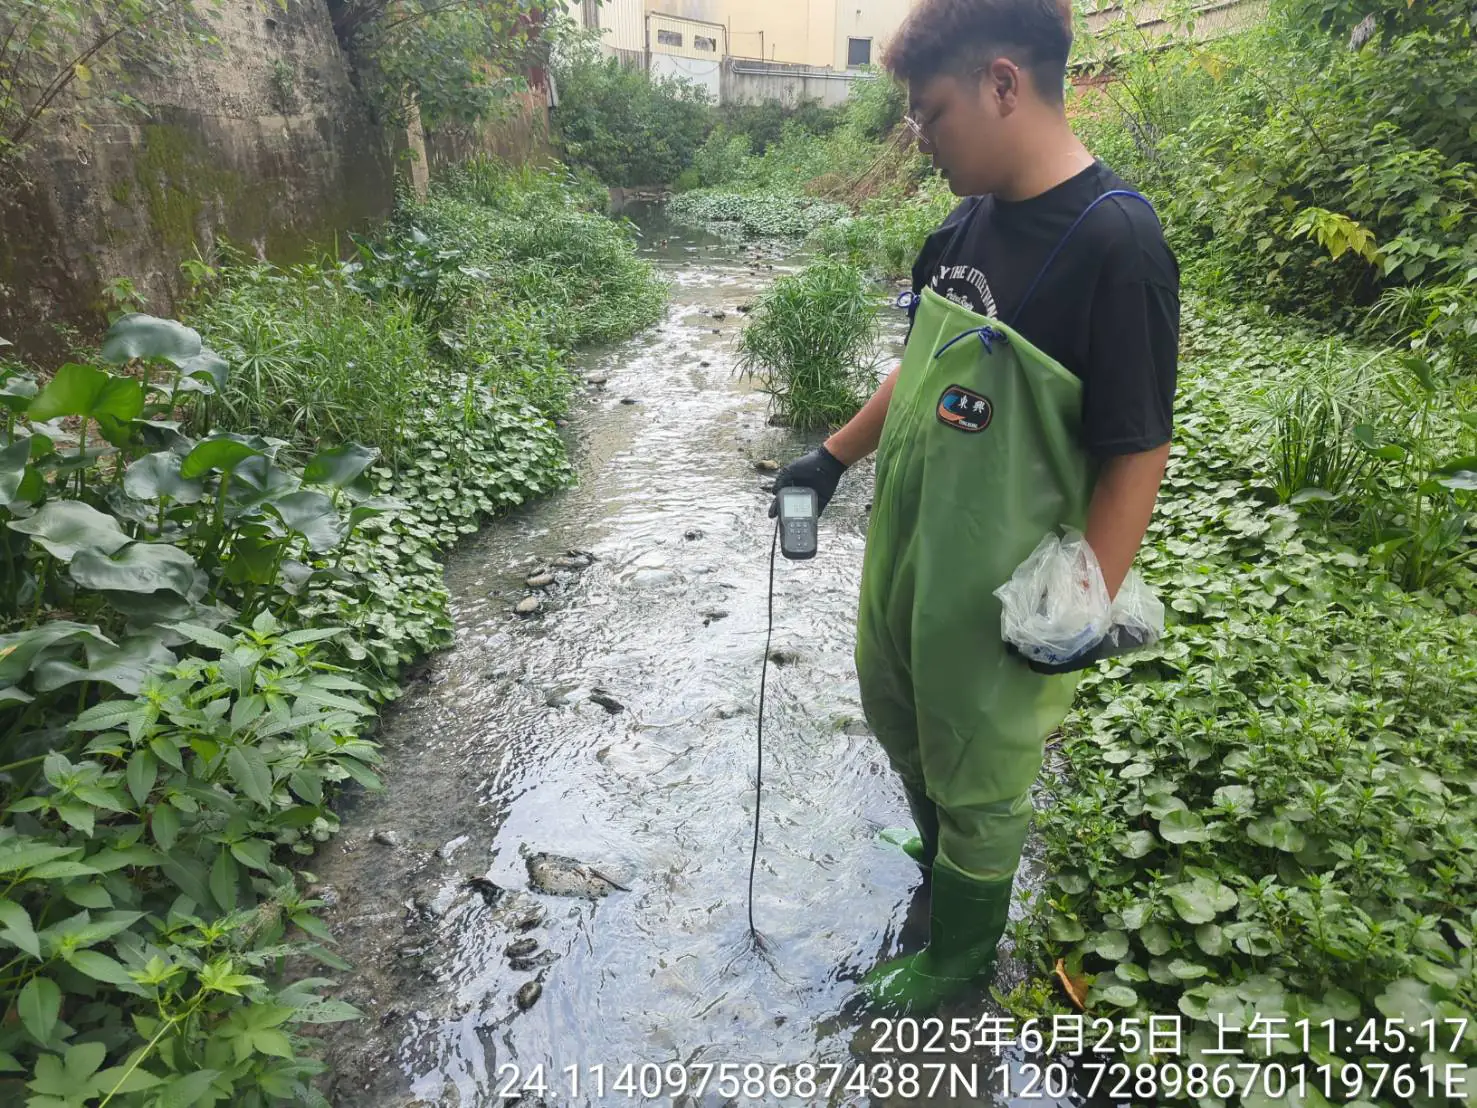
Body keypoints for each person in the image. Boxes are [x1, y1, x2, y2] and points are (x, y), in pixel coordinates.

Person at [769, 0, 1179, 1012]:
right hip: (911, 542)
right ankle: (938, 845)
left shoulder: (1114, 242)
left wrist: (1079, 606)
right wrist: (830, 456)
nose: (921, 139)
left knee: (982, 756)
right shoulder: (961, 225)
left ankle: (959, 954)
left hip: (997, 569)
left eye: (932, 112)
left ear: (1002, 84)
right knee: (898, 702)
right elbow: (916, 369)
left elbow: (1137, 451)